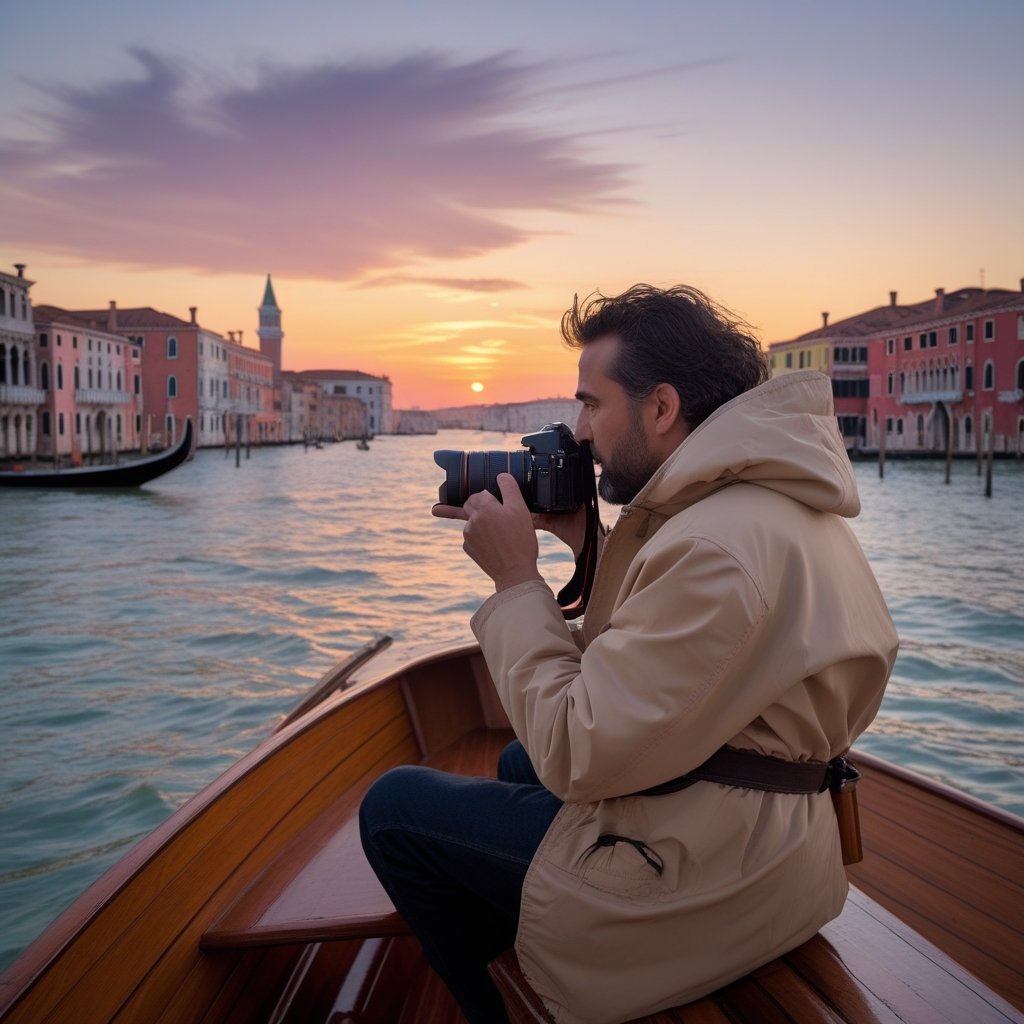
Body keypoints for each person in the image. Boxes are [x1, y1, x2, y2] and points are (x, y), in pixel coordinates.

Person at [359, 284, 898, 1024]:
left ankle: (501, 1006)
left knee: (392, 809)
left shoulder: (713, 546)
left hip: (719, 877)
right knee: (517, 764)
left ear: (662, 408)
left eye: (591, 404)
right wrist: (588, 547)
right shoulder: (763, 506)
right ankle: (530, 924)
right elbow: (661, 668)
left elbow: (580, 749)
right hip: (772, 838)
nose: (578, 431)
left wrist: (517, 581)